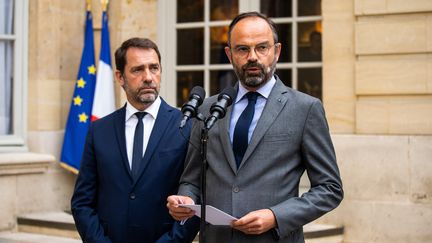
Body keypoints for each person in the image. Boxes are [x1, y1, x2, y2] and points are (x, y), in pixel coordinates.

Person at [167, 12, 343, 243]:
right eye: (242, 49)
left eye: (262, 48)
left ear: (276, 51)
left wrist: (275, 216)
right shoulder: (209, 108)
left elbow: (330, 188)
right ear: (229, 54)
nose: (252, 57)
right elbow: (191, 179)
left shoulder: (305, 108)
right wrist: (185, 200)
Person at [71, 37, 199, 243]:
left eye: (154, 68)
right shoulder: (99, 130)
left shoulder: (187, 126)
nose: (148, 77)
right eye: (138, 70)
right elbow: (82, 203)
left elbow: (196, 199)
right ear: (120, 77)